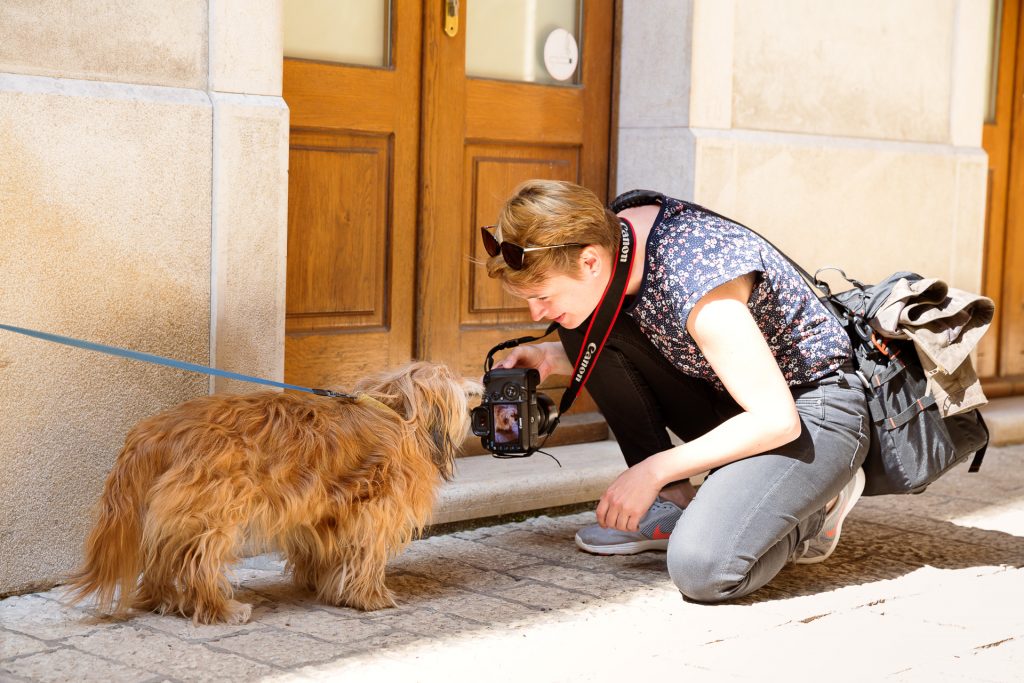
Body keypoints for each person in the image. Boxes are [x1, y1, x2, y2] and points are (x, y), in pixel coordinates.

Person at [482, 179, 870, 603]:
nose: (535, 312)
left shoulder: (693, 273)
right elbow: (656, 337)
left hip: (812, 412)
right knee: (580, 322)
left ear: (590, 261)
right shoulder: (618, 234)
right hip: (733, 395)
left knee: (704, 569)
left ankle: (817, 506)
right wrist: (553, 357)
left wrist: (652, 470)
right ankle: (676, 503)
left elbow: (776, 419)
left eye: (541, 295)